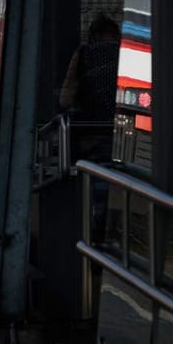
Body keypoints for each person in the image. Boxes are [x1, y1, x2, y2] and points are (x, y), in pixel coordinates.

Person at [58, 14, 121, 241]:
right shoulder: (126, 56)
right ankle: (108, 231)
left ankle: (94, 233)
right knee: (115, 181)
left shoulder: (84, 54)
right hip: (120, 134)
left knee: (95, 183)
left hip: (90, 132)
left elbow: (65, 99)